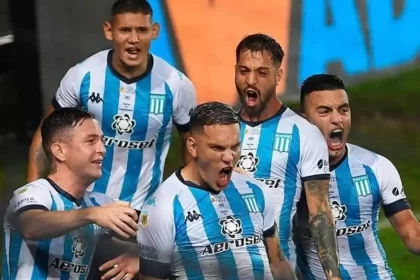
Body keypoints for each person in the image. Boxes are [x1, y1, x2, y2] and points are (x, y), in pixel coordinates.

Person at [27, 0, 197, 211]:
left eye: (142, 30)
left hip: (140, 213)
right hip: (81, 209)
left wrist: (191, 199)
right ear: (109, 31)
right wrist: (32, 199)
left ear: (154, 31)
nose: (133, 40)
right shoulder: (83, 75)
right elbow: (45, 135)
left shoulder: (177, 84)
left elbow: (193, 145)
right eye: (125, 30)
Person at [136, 101, 296, 280]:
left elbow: (278, 264)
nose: (229, 157)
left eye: (235, 146)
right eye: (218, 148)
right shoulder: (163, 206)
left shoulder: (256, 191)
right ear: (192, 147)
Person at [234, 33, 341, 279]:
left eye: (262, 72)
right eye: (243, 70)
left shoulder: (304, 133)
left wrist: (332, 275)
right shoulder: (218, 130)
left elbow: (320, 212)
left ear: (278, 76)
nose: (251, 80)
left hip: (277, 271)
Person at [295, 74, 420, 279]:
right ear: (304, 120)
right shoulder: (289, 176)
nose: (337, 119)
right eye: (325, 111)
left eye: (343, 109)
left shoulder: (376, 166)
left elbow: (412, 235)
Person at [2, 108, 139, 280]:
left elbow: (163, 230)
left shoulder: (100, 203)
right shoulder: (31, 193)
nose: (102, 149)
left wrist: (138, 256)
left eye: (102, 141)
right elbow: (31, 226)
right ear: (60, 151)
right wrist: (90, 215)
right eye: (91, 141)